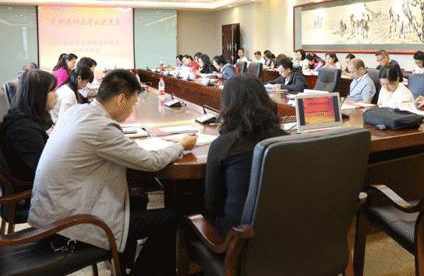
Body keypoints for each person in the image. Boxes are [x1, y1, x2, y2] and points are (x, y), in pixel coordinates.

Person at [28, 70, 197, 276]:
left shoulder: (78, 112)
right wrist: (180, 145)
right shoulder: (101, 128)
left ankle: (122, 266)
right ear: (121, 99)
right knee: (171, 219)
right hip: (71, 226)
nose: (132, 110)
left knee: (136, 196)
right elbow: (150, 162)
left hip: (53, 213)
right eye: (133, 103)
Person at [204, 74, 287, 237]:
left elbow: (212, 205)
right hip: (281, 232)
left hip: (236, 238)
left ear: (228, 105)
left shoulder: (223, 145)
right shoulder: (286, 139)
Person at [0, 70, 57, 187]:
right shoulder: (23, 129)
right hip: (35, 186)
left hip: (50, 170)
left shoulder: (38, 114)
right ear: (38, 95)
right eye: (52, 90)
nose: (57, 95)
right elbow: (45, 171)